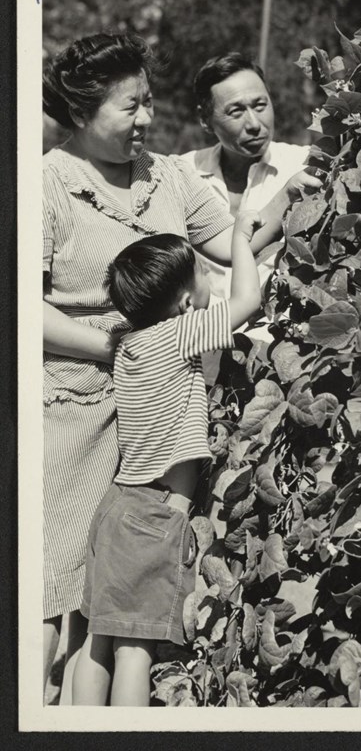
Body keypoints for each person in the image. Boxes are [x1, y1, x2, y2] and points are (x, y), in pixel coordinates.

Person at [41, 32, 306, 702]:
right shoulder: (45, 184)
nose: (146, 120)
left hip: (136, 447)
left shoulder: (170, 176)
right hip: (72, 417)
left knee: (96, 622)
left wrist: (292, 199)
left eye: (150, 102)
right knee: (66, 608)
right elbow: (20, 310)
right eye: (130, 107)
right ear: (81, 113)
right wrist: (122, 351)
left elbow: (233, 240)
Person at [72, 219, 260, 706]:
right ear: (182, 303)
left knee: (100, 640)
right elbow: (247, 304)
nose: (208, 277)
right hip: (156, 512)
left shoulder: (127, 340)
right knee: (136, 650)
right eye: (201, 270)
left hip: (116, 507)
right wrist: (240, 238)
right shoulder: (180, 333)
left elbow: (116, 304)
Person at [180, 52, 316, 301]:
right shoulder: (182, 174)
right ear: (205, 120)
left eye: (260, 106)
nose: (254, 123)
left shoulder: (304, 166)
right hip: (201, 334)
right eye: (236, 111)